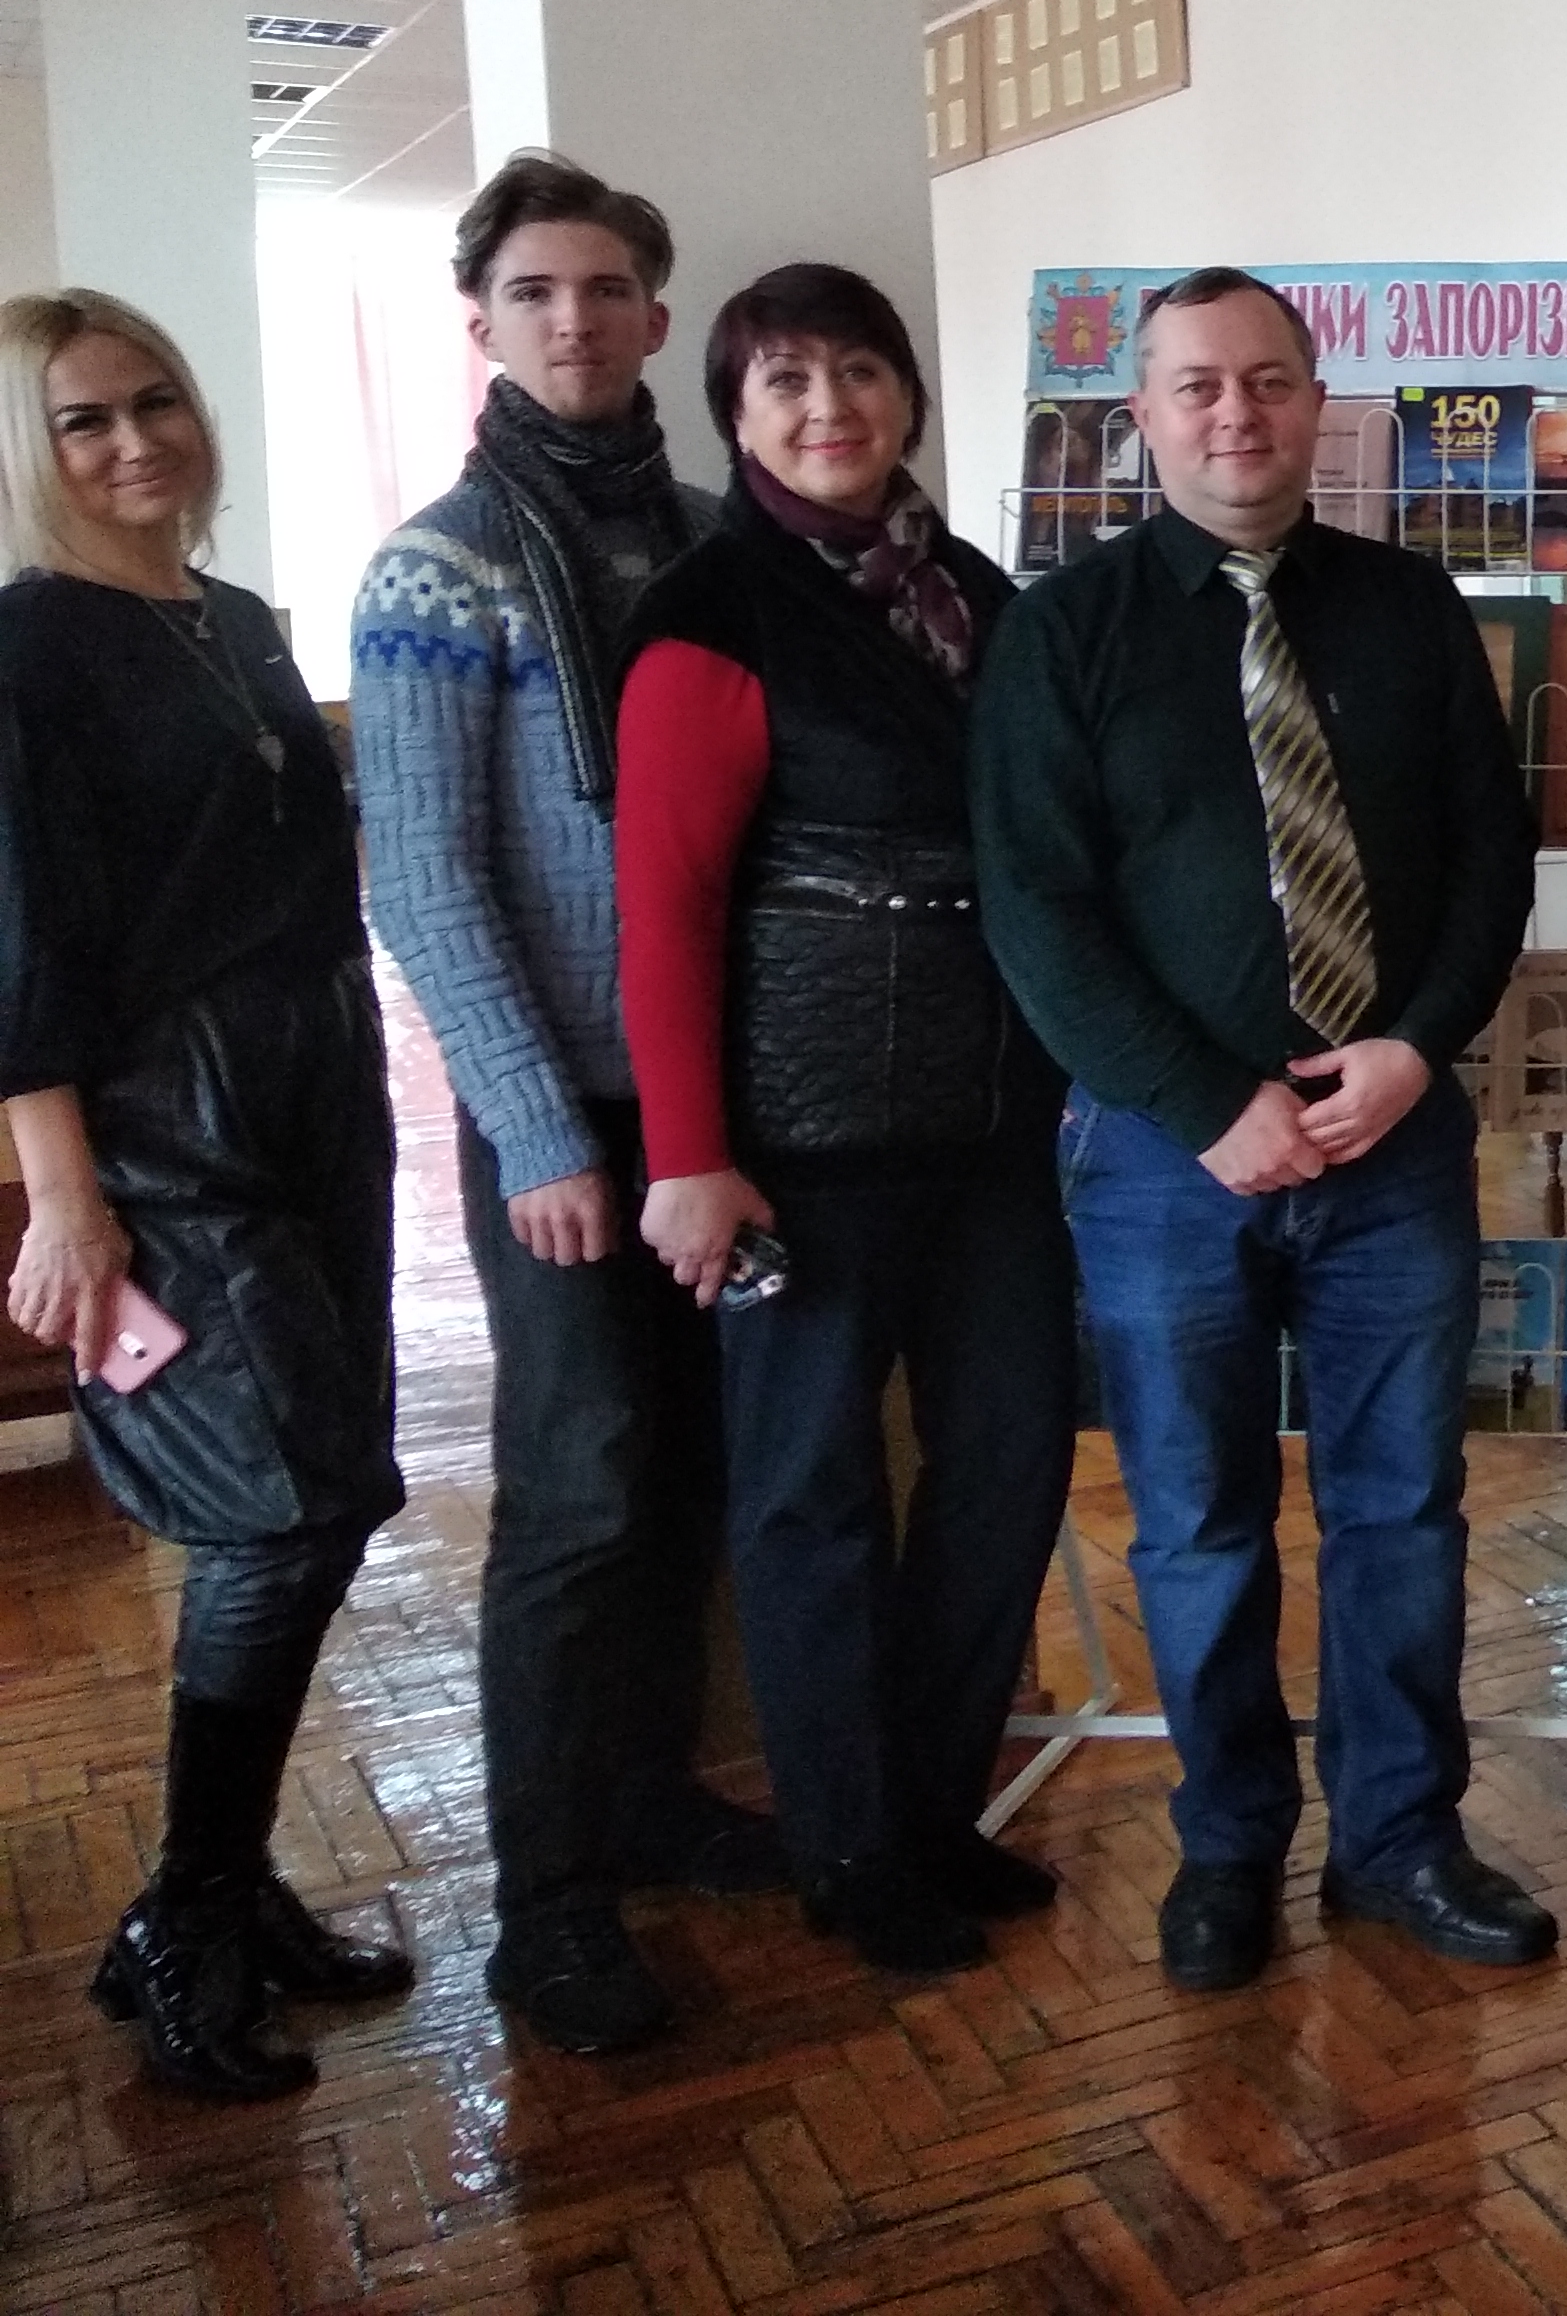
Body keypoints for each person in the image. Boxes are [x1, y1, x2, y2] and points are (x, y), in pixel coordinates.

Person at [973, 266, 1545, 1994]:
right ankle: (1227, 1849)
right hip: (1169, 1163)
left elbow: (1491, 856)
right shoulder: (1062, 632)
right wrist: (1205, 1104)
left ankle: (1400, 1842)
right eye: (1200, 386)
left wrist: (1416, 1050)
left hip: (1392, 1144)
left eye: (1270, 380)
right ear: (1142, 415)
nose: (1238, 413)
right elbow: (1038, 910)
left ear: (1315, 400)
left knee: (1403, 1511)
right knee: (1196, 1527)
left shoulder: (1410, 606)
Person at [353, 151, 779, 2058]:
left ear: (658, 317)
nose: (573, 320)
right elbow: (427, 882)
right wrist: (536, 1130)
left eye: (605, 289)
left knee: (686, 1470)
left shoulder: (715, 541)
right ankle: (547, 1905)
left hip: (718, 1111)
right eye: (534, 292)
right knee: (581, 1490)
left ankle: (651, 1798)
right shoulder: (436, 568)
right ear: (482, 324)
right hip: (563, 1126)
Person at [615, 265, 1078, 1978]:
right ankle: (848, 1844)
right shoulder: (708, 611)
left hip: (995, 1124)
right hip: (798, 1141)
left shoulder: (977, 595)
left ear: (908, 396)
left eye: (861, 372)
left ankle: (940, 1806)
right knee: (810, 1496)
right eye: (787, 381)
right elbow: (663, 909)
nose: (831, 409)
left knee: (1009, 1460)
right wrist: (687, 1155)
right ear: (736, 416)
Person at [0, 291, 414, 2099]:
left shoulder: (233, 621)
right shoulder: (27, 647)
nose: (133, 442)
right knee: (279, 1509)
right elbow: (17, 945)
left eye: (153, 401)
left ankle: (224, 1888)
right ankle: (187, 1913)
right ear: (31, 456)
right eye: (83, 421)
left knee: (327, 1495)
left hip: (320, 1091)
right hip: (171, 1126)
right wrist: (64, 1198)